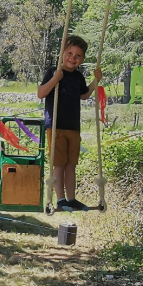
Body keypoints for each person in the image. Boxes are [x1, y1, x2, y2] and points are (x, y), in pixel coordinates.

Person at [36, 35, 102, 212]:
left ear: (82, 59)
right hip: (56, 126)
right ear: (62, 53)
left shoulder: (79, 77)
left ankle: (72, 199)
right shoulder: (53, 72)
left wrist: (96, 81)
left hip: (74, 127)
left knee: (71, 164)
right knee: (59, 164)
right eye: (70, 53)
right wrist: (55, 79)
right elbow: (41, 94)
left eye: (78, 55)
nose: (73, 58)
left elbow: (84, 95)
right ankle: (60, 199)